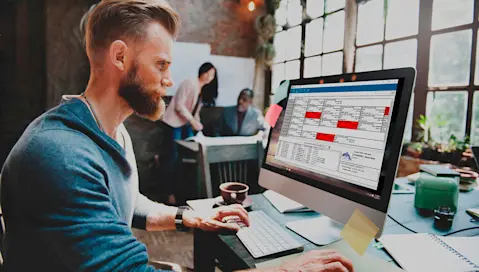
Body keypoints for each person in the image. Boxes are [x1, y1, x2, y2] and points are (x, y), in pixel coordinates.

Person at [0, 1, 353, 271]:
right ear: (120, 56)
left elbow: (128, 201)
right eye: (162, 65)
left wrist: (188, 217)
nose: (168, 80)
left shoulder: (110, 131)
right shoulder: (60, 155)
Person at [162, 62, 217, 139]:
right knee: (176, 149)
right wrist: (193, 121)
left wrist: (197, 123)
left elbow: (195, 110)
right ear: (202, 71)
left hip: (186, 123)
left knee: (190, 147)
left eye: (212, 75)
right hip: (174, 122)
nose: (209, 77)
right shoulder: (189, 83)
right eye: (207, 73)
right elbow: (179, 106)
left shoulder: (203, 89)